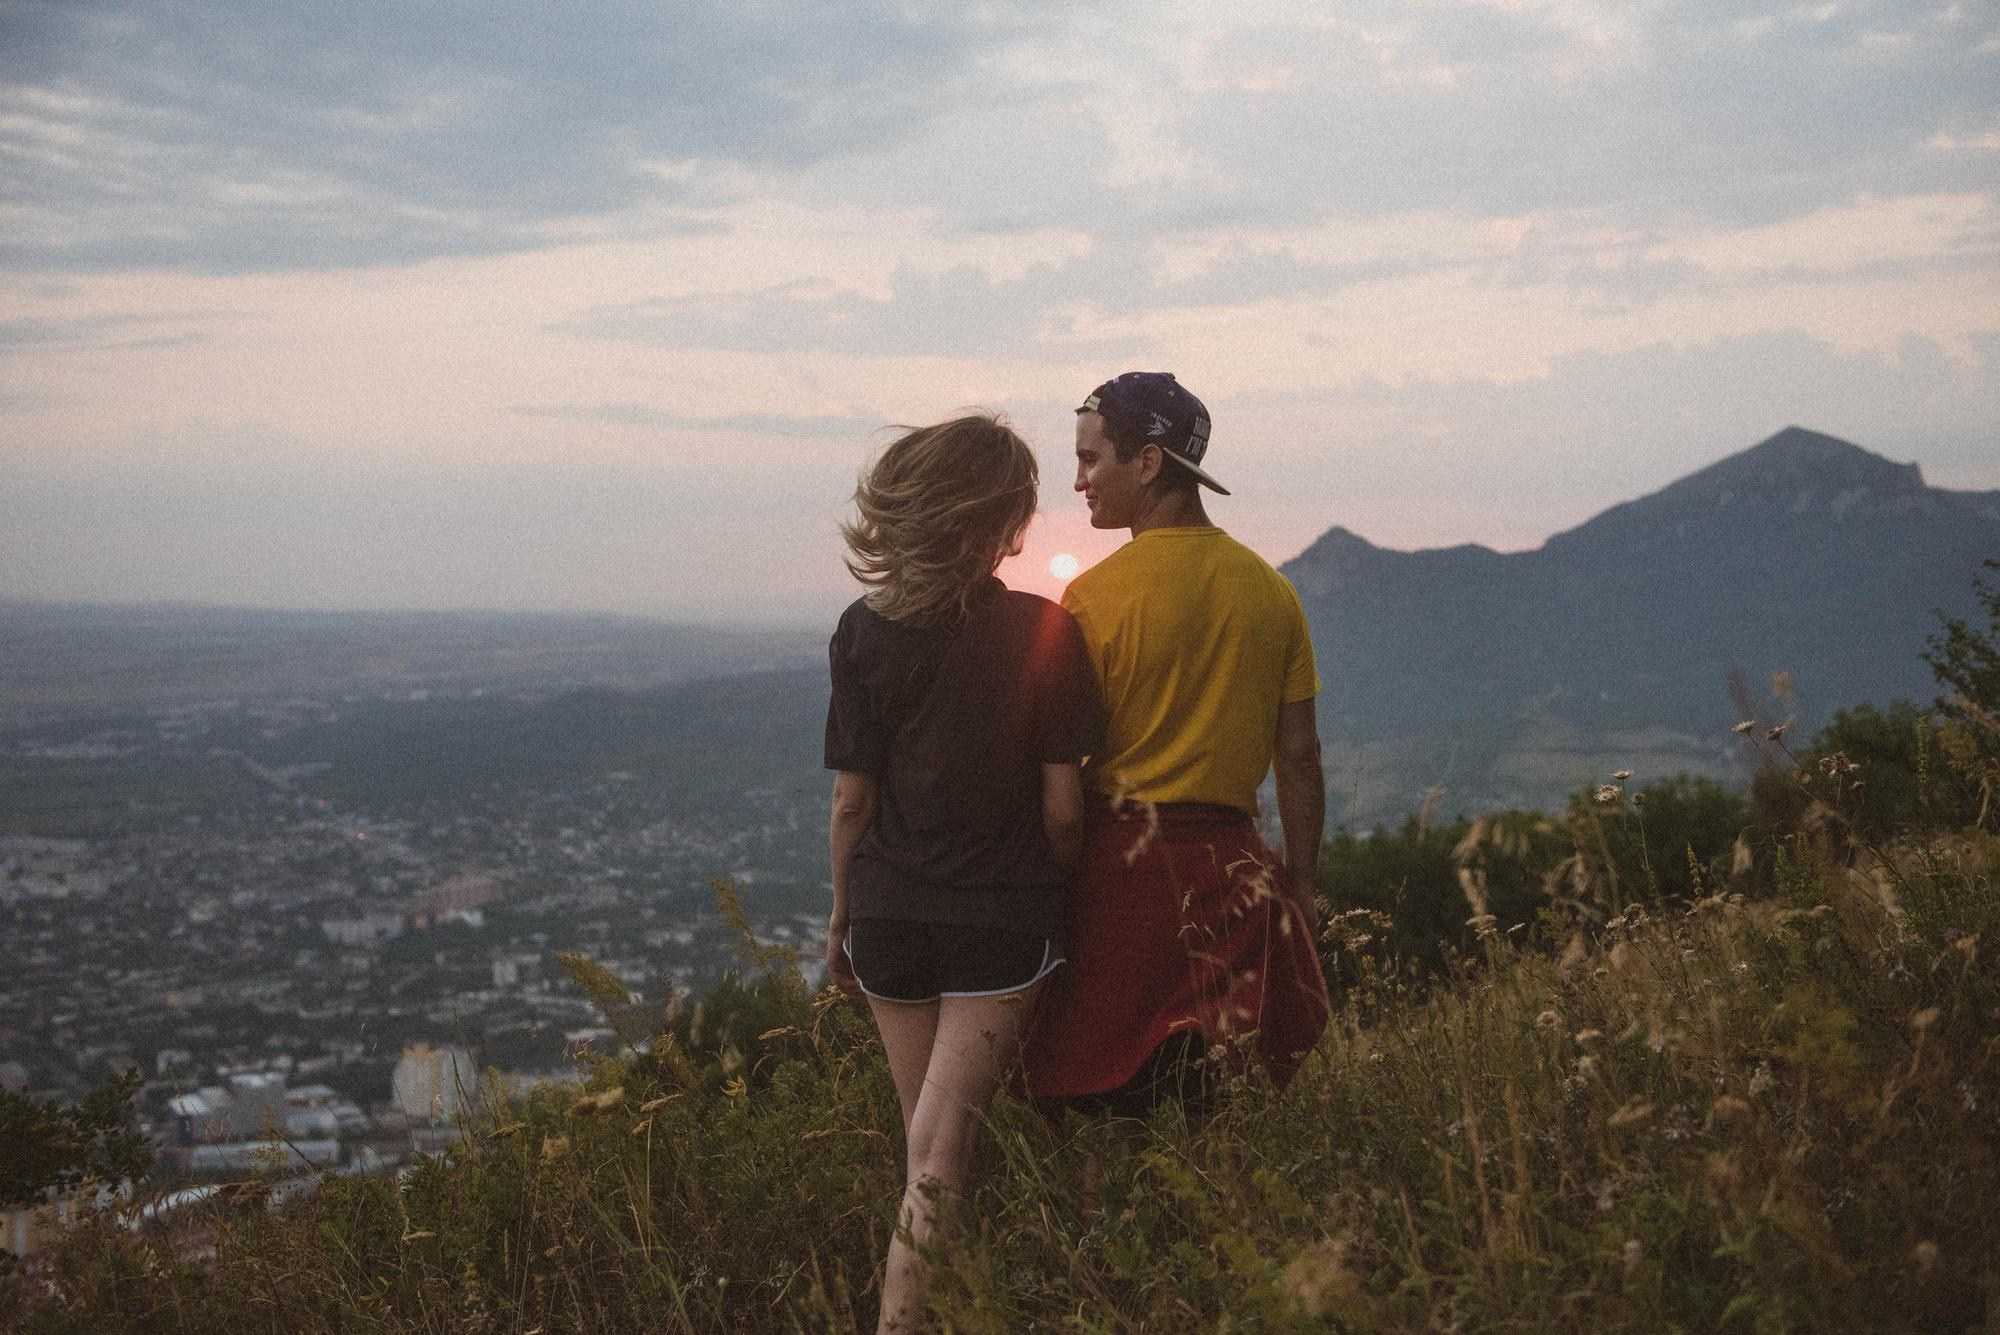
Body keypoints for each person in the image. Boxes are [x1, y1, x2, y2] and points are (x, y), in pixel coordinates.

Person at [823, 413, 1105, 1333]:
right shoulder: (1043, 629)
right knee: (943, 1158)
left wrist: (841, 918)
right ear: (999, 519)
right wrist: (1058, 887)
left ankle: (959, 1314)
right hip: (999, 919)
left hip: (889, 919)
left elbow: (851, 806)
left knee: (929, 1156)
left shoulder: (861, 632)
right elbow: (1065, 809)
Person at [1021, 371, 1330, 1117]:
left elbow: (1063, 760)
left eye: (1093, 460)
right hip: (1232, 880)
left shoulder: (1092, 599)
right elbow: (1298, 755)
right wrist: (1303, 879)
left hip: (1119, 882)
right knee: (1213, 1105)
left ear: (1150, 462)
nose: (1079, 480)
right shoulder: (1272, 591)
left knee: (1099, 1102)